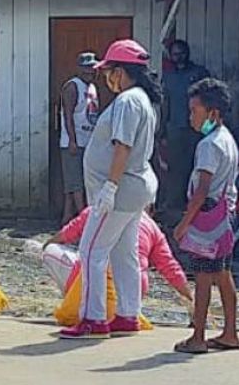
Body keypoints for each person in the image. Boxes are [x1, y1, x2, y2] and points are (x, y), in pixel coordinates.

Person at [61, 40, 161, 340]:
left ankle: (93, 318)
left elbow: (122, 147)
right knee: (124, 253)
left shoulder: (129, 101)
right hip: (133, 188)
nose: (106, 77)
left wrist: (110, 186)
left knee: (91, 250)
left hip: (121, 189)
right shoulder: (140, 99)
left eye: (109, 71)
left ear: (121, 71)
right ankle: (128, 314)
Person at [173, 78, 239, 354]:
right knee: (223, 274)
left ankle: (198, 336)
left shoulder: (208, 146)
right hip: (224, 217)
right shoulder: (227, 140)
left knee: (202, 277)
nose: (192, 116)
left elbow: (201, 192)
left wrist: (183, 224)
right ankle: (230, 333)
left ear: (212, 113)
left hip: (206, 221)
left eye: (195, 110)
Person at [44, 207, 191, 309]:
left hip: (94, 289)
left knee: (50, 252)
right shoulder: (151, 226)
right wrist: (190, 300)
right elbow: (170, 267)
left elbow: (66, 235)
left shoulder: (98, 211)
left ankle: (73, 300)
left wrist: (46, 246)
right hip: (132, 295)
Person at [161, 40, 210, 213]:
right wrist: (162, 132)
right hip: (174, 128)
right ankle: (174, 208)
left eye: (182, 53)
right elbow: (164, 104)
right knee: (175, 169)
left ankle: (194, 206)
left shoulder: (199, 74)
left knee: (196, 167)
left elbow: (210, 99)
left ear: (187, 53)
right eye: (175, 54)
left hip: (196, 129)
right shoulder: (168, 76)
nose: (179, 56)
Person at [59, 52, 100, 223]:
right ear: (79, 68)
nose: (90, 71)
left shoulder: (92, 87)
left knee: (76, 183)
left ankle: (67, 217)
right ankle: (85, 219)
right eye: (86, 68)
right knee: (75, 182)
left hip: (88, 140)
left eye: (92, 68)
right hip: (74, 142)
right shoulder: (72, 86)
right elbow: (67, 115)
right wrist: (72, 140)